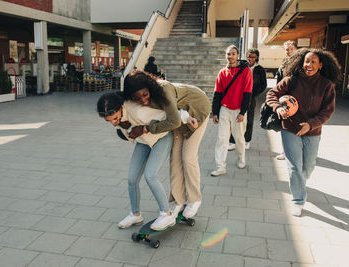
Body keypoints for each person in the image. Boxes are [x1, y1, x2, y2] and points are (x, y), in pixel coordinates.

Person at [97, 92, 197, 230]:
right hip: (143, 141)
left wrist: (187, 117)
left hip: (161, 138)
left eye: (115, 119)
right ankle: (135, 214)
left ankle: (166, 213)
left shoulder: (138, 112)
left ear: (121, 107)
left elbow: (169, 115)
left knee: (150, 175)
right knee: (132, 178)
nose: (114, 123)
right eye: (109, 121)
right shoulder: (119, 116)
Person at [123, 70, 211, 219]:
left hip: (196, 109)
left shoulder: (163, 90)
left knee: (188, 157)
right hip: (177, 117)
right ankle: (178, 200)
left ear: (149, 87)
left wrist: (146, 128)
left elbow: (174, 121)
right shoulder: (137, 97)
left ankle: (195, 199)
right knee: (175, 159)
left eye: (145, 95)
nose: (143, 100)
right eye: (137, 98)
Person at [266, 48, 341, 216]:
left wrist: (311, 124)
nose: (309, 64)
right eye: (307, 61)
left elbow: (327, 111)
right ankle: (298, 200)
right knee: (294, 167)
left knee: (307, 167)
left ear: (320, 65)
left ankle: (300, 183)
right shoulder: (291, 80)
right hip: (290, 129)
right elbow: (272, 93)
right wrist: (277, 107)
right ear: (302, 63)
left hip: (312, 132)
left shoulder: (326, 85)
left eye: (313, 62)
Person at [211, 45, 253, 176]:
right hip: (224, 109)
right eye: (228, 54)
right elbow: (217, 94)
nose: (230, 56)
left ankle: (241, 157)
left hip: (238, 110)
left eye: (233, 54)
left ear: (237, 55)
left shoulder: (246, 71)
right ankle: (220, 166)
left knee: (239, 138)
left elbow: (247, 93)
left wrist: (243, 112)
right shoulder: (222, 72)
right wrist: (215, 112)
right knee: (222, 139)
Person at [228, 48, 267, 151]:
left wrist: (252, 94)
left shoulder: (260, 69)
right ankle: (232, 141)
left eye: (253, 57)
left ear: (257, 57)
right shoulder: (242, 67)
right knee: (235, 119)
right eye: (249, 56)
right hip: (238, 97)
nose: (250, 59)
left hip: (250, 98)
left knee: (249, 120)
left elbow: (263, 85)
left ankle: (247, 141)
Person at [275, 40, 298, 160]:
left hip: (297, 100)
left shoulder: (301, 63)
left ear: (296, 49)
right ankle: (285, 151)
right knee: (285, 125)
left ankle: (296, 150)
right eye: (286, 49)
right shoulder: (284, 64)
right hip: (285, 100)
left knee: (296, 126)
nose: (288, 51)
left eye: (290, 49)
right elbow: (278, 82)